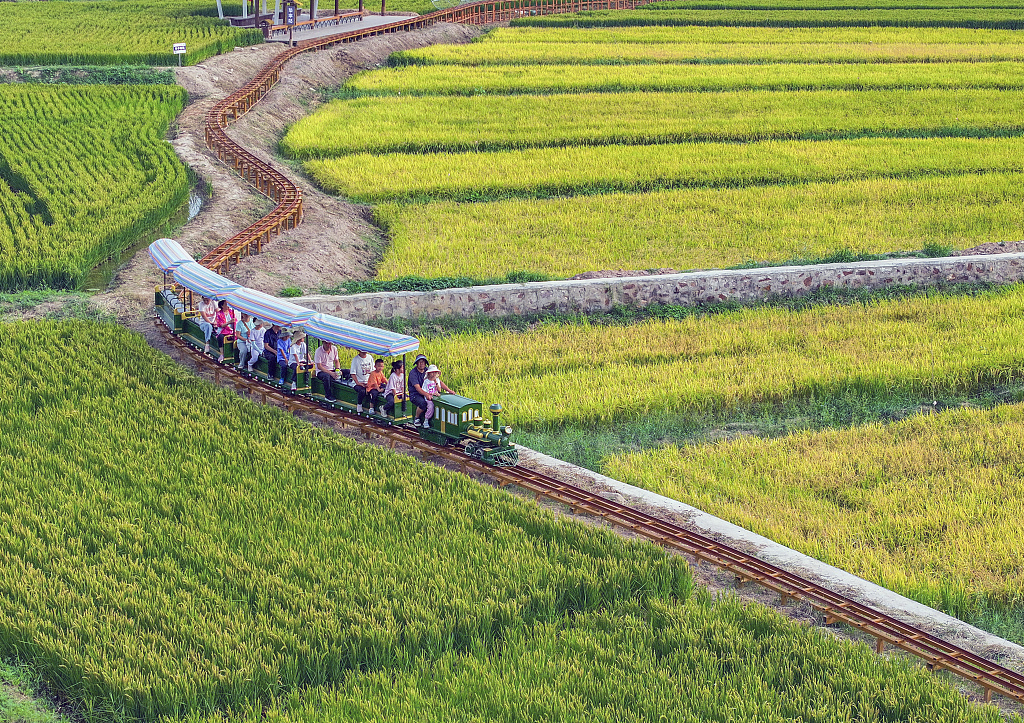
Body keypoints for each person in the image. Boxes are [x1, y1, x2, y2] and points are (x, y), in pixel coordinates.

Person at [420, 364, 453, 429]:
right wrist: (432, 394)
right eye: (432, 372)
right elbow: (424, 391)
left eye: (435, 372)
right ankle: (426, 420)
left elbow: (439, 389)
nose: (434, 374)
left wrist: (436, 382)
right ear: (429, 373)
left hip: (436, 397)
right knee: (431, 407)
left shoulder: (437, 380)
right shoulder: (426, 381)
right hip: (429, 398)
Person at [408, 354, 429, 426]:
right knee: (423, 403)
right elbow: (418, 388)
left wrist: (449, 390)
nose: (421, 364)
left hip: (426, 392)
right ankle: (416, 418)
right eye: (419, 362)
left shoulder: (427, 370)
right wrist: (427, 394)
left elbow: (436, 379)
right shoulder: (413, 373)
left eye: (423, 362)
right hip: (415, 394)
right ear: (416, 363)